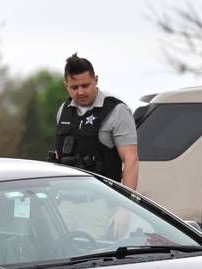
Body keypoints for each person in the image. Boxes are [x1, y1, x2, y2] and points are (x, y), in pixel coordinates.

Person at [53, 54, 139, 237]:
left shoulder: (116, 111)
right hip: (63, 205)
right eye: (74, 87)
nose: (80, 92)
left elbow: (131, 160)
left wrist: (126, 209)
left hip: (99, 206)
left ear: (96, 80)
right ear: (65, 86)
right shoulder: (64, 110)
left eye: (85, 85)